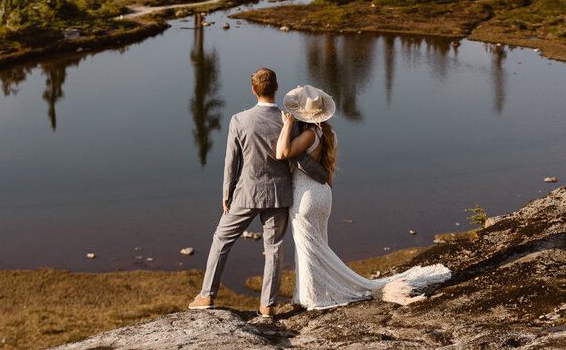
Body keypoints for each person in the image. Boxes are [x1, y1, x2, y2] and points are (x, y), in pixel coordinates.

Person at [275, 84, 451, 310]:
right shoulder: (330, 134)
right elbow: (329, 173)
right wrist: (327, 196)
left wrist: (287, 125)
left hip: (305, 196)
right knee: (319, 248)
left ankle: (309, 298)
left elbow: (283, 153)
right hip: (324, 195)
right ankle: (309, 293)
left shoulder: (309, 135)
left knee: (306, 249)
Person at [189, 67, 291, 318]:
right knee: (274, 248)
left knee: (221, 240)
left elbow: (230, 160)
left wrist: (227, 191)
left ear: (254, 90)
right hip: (278, 193)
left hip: (246, 193)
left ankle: (207, 295)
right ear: (276, 88)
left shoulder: (239, 120)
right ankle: (268, 305)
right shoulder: (288, 120)